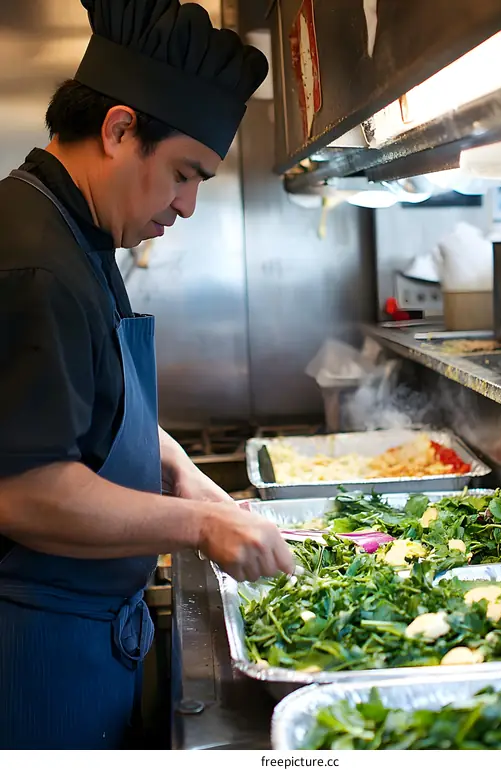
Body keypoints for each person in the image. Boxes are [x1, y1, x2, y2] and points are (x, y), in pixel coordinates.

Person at [0, 0, 293, 750]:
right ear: (120, 129)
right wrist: (201, 523)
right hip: (34, 653)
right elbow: (25, 491)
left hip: (82, 635)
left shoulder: (73, 229)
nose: (188, 206)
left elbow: (88, 400)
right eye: (184, 175)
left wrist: (177, 467)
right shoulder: (37, 263)